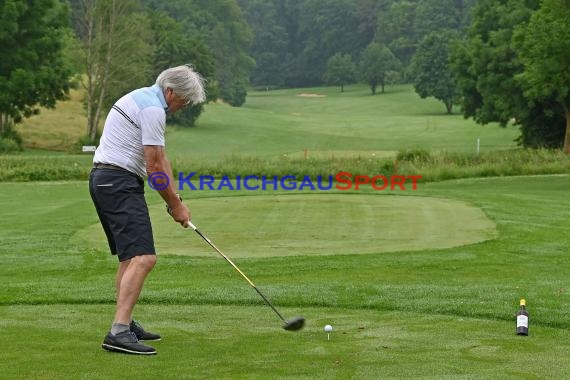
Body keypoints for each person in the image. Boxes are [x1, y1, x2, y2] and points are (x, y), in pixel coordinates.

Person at [89, 65, 206, 355]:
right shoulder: (153, 110)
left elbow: (161, 158)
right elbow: (153, 168)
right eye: (185, 100)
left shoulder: (145, 99)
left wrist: (175, 199)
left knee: (130, 257)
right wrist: (175, 205)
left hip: (107, 180)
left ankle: (125, 324)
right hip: (118, 182)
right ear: (171, 92)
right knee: (144, 257)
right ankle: (117, 332)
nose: (184, 107)